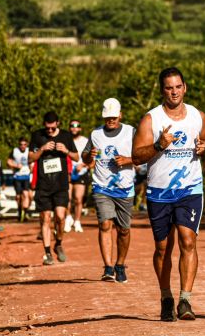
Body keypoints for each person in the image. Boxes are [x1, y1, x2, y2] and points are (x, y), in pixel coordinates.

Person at [132, 67, 205, 322]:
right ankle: (166, 297)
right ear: (162, 90)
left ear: (185, 87)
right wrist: (158, 145)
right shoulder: (151, 120)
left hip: (190, 189)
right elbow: (136, 157)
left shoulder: (198, 116)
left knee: (188, 241)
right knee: (163, 248)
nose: (174, 91)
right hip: (159, 192)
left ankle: (185, 299)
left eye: (178, 86)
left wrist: (204, 147)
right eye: (169, 87)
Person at [82, 98, 135, 283]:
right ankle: (108, 267)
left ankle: (120, 265)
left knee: (123, 230)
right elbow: (85, 156)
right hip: (101, 186)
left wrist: (127, 160)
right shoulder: (95, 133)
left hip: (125, 188)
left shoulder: (131, 132)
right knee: (105, 224)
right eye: (107, 117)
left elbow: (143, 155)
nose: (110, 120)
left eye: (113, 117)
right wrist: (90, 155)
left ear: (120, 115)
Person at [29, 111, 79, 265]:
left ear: (57, 123)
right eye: (47, 128)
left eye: (52, 128)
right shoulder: (37, 136)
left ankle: (58, 243)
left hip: (60, 185)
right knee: (45, 218)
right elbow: (30, 158)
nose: (49, 131)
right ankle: (47, 253)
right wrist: (42, 149)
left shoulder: (66, 136)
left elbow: (76, 157)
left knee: (60, 217)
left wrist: (66, 151)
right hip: (43, 185)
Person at [66, 119, 90, 233]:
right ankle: (68, 218)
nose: (74, 128)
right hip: (68, 172)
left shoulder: (85, 141)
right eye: (72, 126)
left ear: (80, 128)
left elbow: (95, 155)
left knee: (78, 198)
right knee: (67, 198)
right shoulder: (65, 140)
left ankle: (77, 221)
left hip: (81, 172)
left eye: (77, 126)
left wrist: (84, 164)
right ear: (69, 128)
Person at [7, 137, 32, 222]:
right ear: (19, 144)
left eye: (25, 144)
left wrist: (31, 166)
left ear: (27, 145)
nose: (23, 146)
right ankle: (19, 211)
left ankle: (25, 212)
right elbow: (8, 162)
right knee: (18, 197)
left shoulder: (29, 151)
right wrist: (16, 166)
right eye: (21, 144)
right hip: (17, 177)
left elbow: (33, 161)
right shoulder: (14, 151)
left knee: (26, 194)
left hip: (26, 176)